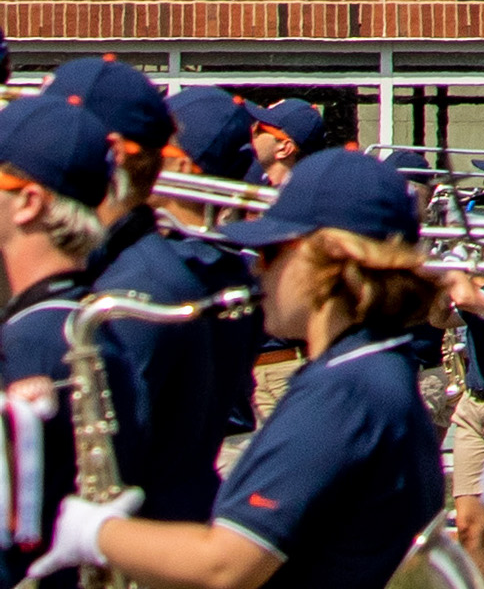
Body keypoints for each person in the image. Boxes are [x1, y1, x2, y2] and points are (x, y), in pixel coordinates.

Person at [42, 149, 458, 589]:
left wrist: (93, 532)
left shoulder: (346, 390)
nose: (258, 270)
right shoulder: (372, 369)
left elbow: (224, 566)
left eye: (272, 252)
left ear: (329, 256)